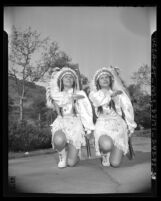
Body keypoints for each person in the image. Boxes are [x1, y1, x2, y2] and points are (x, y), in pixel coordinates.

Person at [46, 67, 95, 168]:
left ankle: (74, 156)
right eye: (66, 77)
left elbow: (86, 112)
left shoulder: (80, 94)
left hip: (75, 125)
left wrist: (88, 129)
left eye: (71, 77)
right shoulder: (57, 95)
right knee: (59, 140)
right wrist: (55, 74)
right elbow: (52, 88)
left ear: (74, 81)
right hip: (61, 122)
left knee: (71, 163)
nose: (68, 79)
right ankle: (62, 158)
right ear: (61, 80)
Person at [89, 66, 137, 167]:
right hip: (103, 126)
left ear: (111, 80)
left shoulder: (120, 93)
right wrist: (111, 95)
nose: (105, 79)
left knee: (115, 163)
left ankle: (114, 150)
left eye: (107, 77)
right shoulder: (94, 94)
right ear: (98, 81)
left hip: (118, 126)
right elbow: (99, 101)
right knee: (107, 145)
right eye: (102, 78)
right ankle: (105, 153)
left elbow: (127, 109)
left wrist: (130, 126)